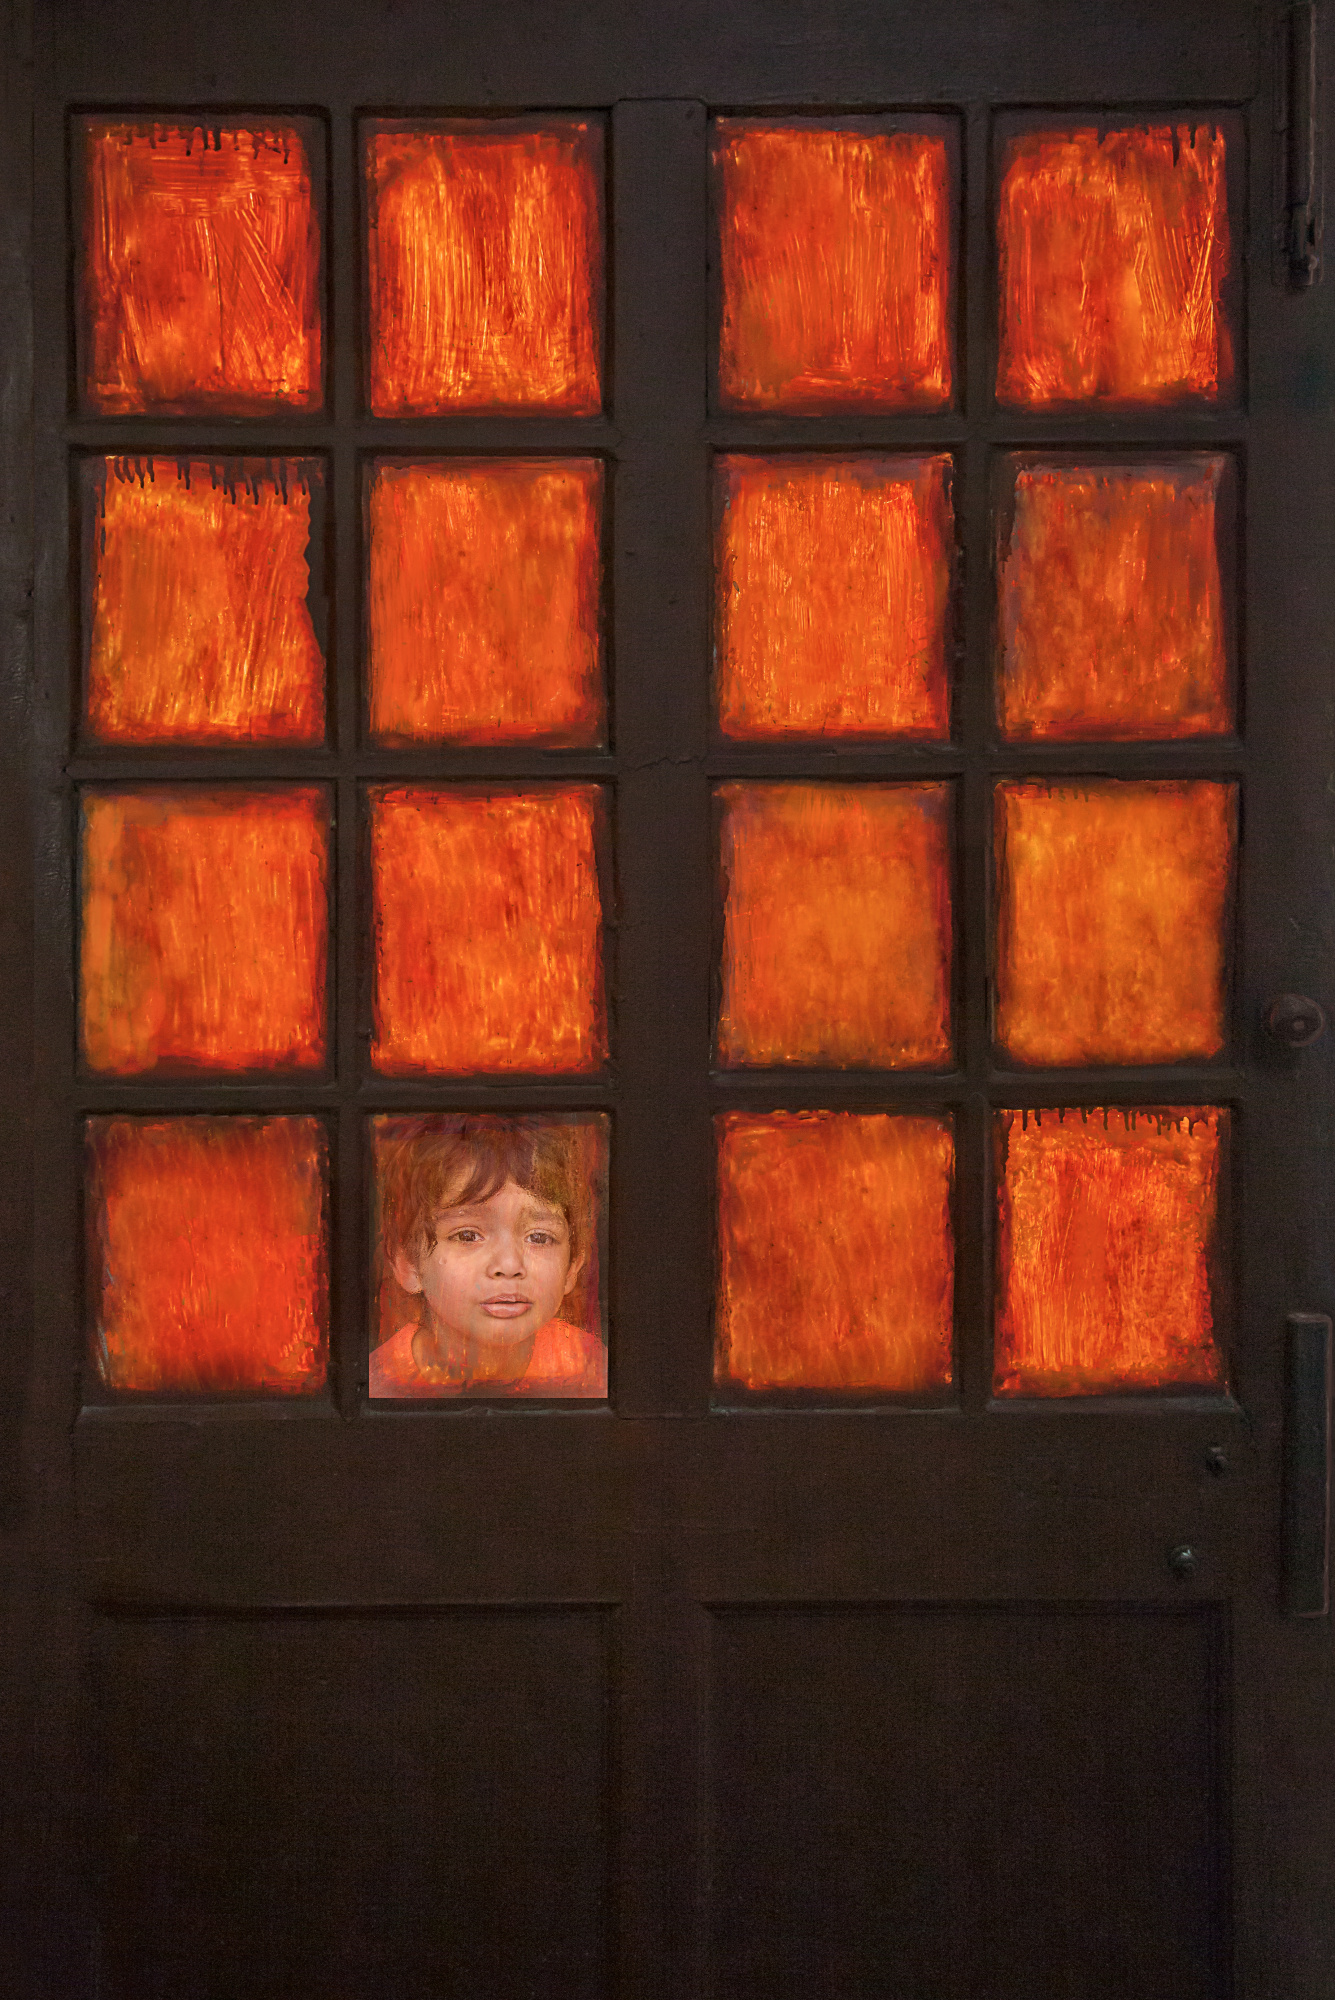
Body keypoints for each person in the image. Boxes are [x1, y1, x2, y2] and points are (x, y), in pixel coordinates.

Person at [370, 1115, 607, 1398]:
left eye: (539, 1237)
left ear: (572, 1268)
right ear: (407, 1264)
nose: (509, 1266)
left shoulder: (589, 1367)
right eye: (467, 1236)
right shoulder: (383, 1383)